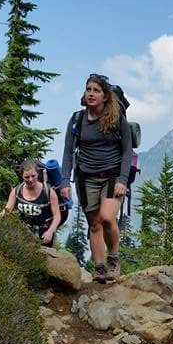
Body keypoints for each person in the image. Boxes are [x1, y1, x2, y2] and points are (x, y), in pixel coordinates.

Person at [60, 74, 132, 283]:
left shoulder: (117, 120)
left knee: (108, 218)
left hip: (112, 176)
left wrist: (123, 180)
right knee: (94, 223)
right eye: (88, 89)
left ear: (105, 96)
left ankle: (113, 259)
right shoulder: (77, 120)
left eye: (96, 91)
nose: (91, 94)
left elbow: (127, 151)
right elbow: (68, 152)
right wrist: (65, 181)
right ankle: (99, 269)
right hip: (86, 178)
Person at [3, 159, 61, 246]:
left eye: (33, 176)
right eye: (26, 177)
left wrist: (50, 232)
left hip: (44, 235)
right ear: (22, 176)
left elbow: (57, 216)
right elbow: (7, 210)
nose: (30, 180)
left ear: (38, 174)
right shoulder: (17, 191)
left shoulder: (48, 192)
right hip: (22, 232)